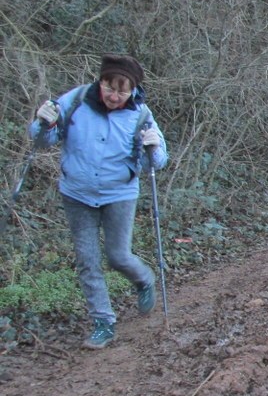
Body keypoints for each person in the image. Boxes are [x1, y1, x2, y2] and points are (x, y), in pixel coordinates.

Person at [28, 54, 168, 350]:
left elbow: (156, 162)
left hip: (119, 194)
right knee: (87, 261)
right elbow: (42, 142)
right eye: (109, 87)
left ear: (133, 90)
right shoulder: (75, 101)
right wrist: (44, 123)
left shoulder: (141, 116)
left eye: (122, 90)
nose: (114, 96)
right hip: (77, 194)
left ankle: (144, 279)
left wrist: (153, 148)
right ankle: (103, 322)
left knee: (117, 256)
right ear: (100, 81)